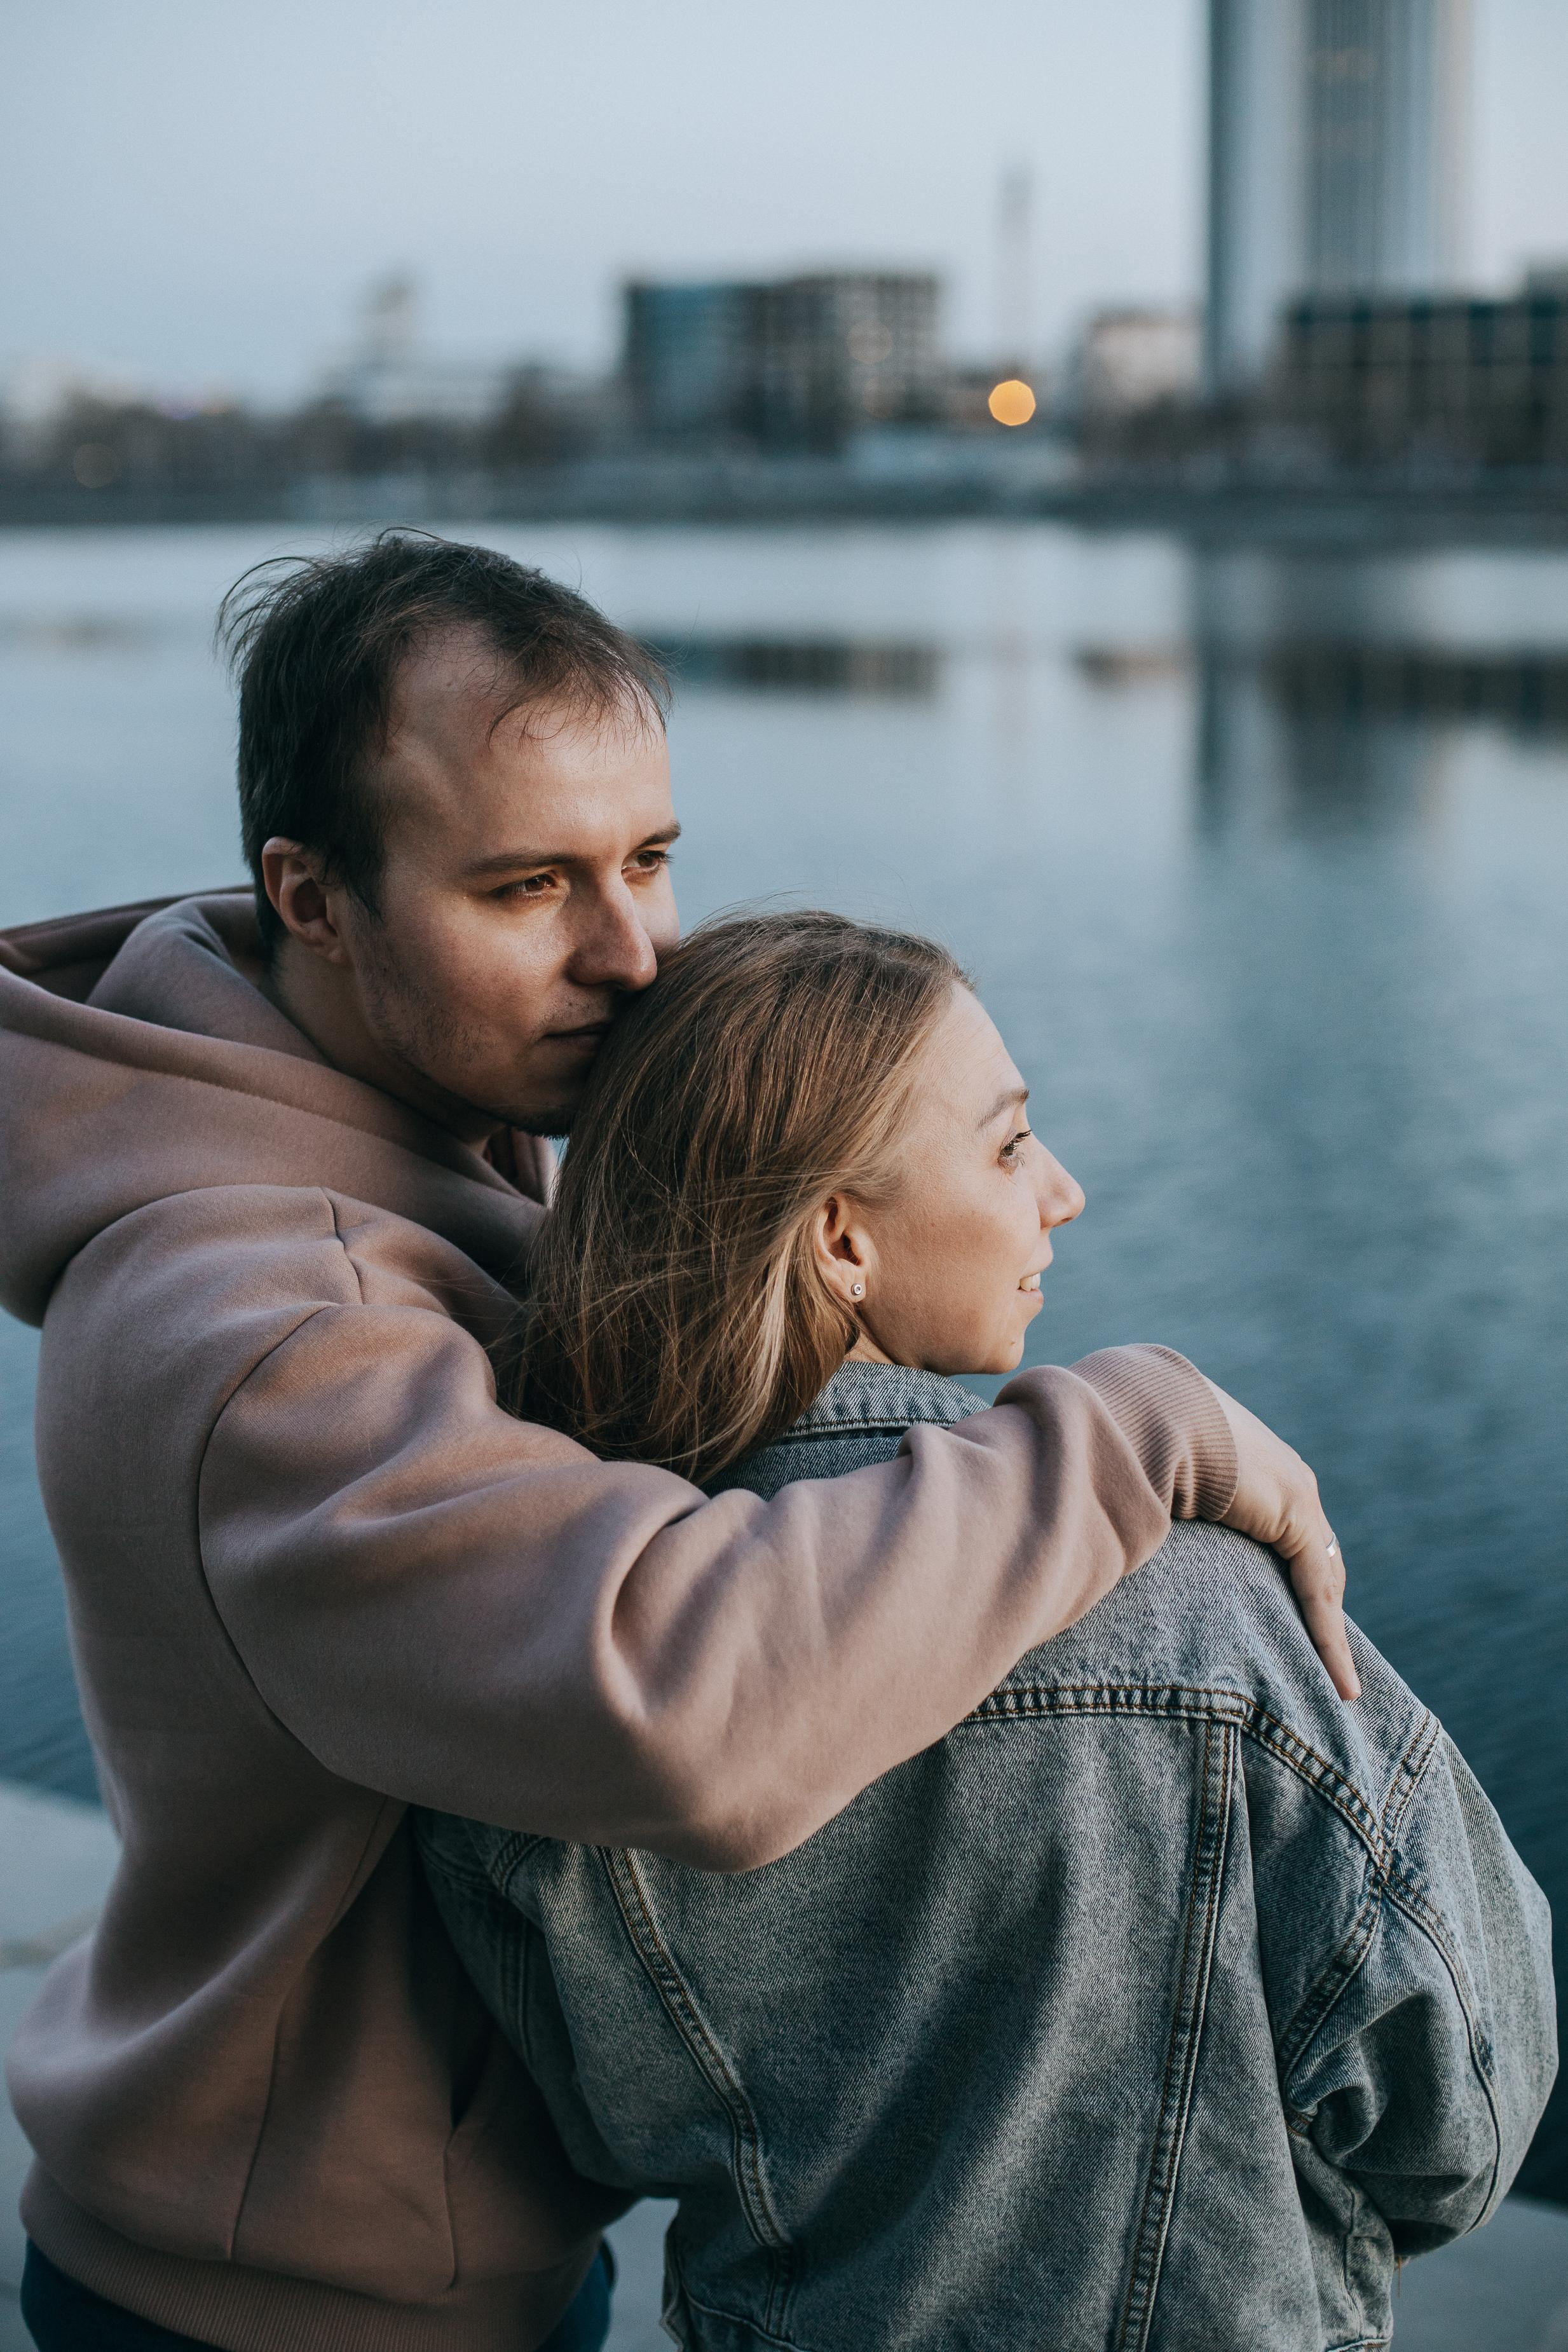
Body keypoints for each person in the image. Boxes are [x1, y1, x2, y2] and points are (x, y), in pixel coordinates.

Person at [0, 535, 1351, 2352]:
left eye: (646, 860)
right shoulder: (260, 1327)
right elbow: (675, 1697)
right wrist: (1123, 1431)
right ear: (309, 897)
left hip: (452, 2245)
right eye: (525, 886)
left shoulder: (417, 1106)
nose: (633, 952)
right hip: (285, 2302)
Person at [418, 912, 1557, 2352]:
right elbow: (1467, 2110)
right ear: (842, 1238)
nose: (1064, 1191)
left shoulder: (556, 1639)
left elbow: (592, 2126)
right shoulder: (1208, 1613)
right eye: (1011, 1145)